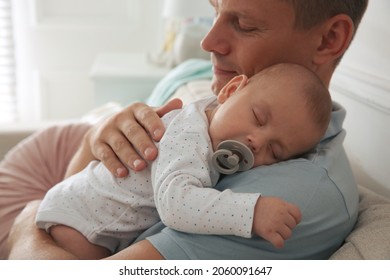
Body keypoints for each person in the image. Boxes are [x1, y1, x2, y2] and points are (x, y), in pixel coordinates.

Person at [5, 0, 368, 260]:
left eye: (243, 23)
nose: (207, 42)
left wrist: (26, 224)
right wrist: (96, 136)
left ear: (328, 39)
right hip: (50, 175)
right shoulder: (210, 111)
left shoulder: (299, 196)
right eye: (214, 10)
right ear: (232, 92)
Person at [34, 63, 331, 259]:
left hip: (93, 219)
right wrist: (251, 211)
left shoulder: (211, 137)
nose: (256, 141)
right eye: (258, 118)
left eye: (275, 152)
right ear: (229, 91)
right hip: (79, 218)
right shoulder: (190, 134)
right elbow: (177, 204)